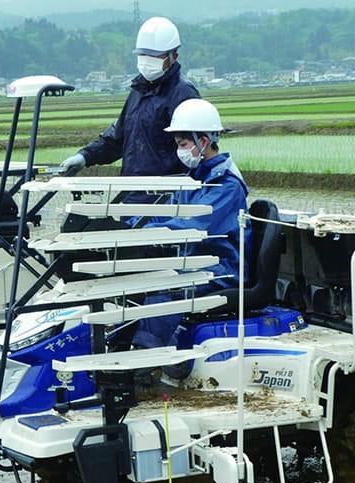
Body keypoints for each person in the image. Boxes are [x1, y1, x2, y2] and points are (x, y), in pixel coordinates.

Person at [130, 98, 250, 353]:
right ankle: (125, 347)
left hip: (221, 268)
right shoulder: (194, 180)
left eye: (183, 144)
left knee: (166, 290)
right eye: (177, 144)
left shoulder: (226, 186)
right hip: (192, 261)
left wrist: (147, 234)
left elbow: (192, 225)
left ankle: (142, 364)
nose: (179, 151)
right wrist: (131, 226)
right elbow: (166, 215)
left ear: (203, 142)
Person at [60, 17, 201, 190]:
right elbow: (117, 138)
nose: (147, 60)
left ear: (174, 56)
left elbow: (195, 149)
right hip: (131, 190)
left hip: (167, 195)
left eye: (154, 56)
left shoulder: (183, 93)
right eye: (143, 54)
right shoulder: (138, 91)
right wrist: (85, 156)